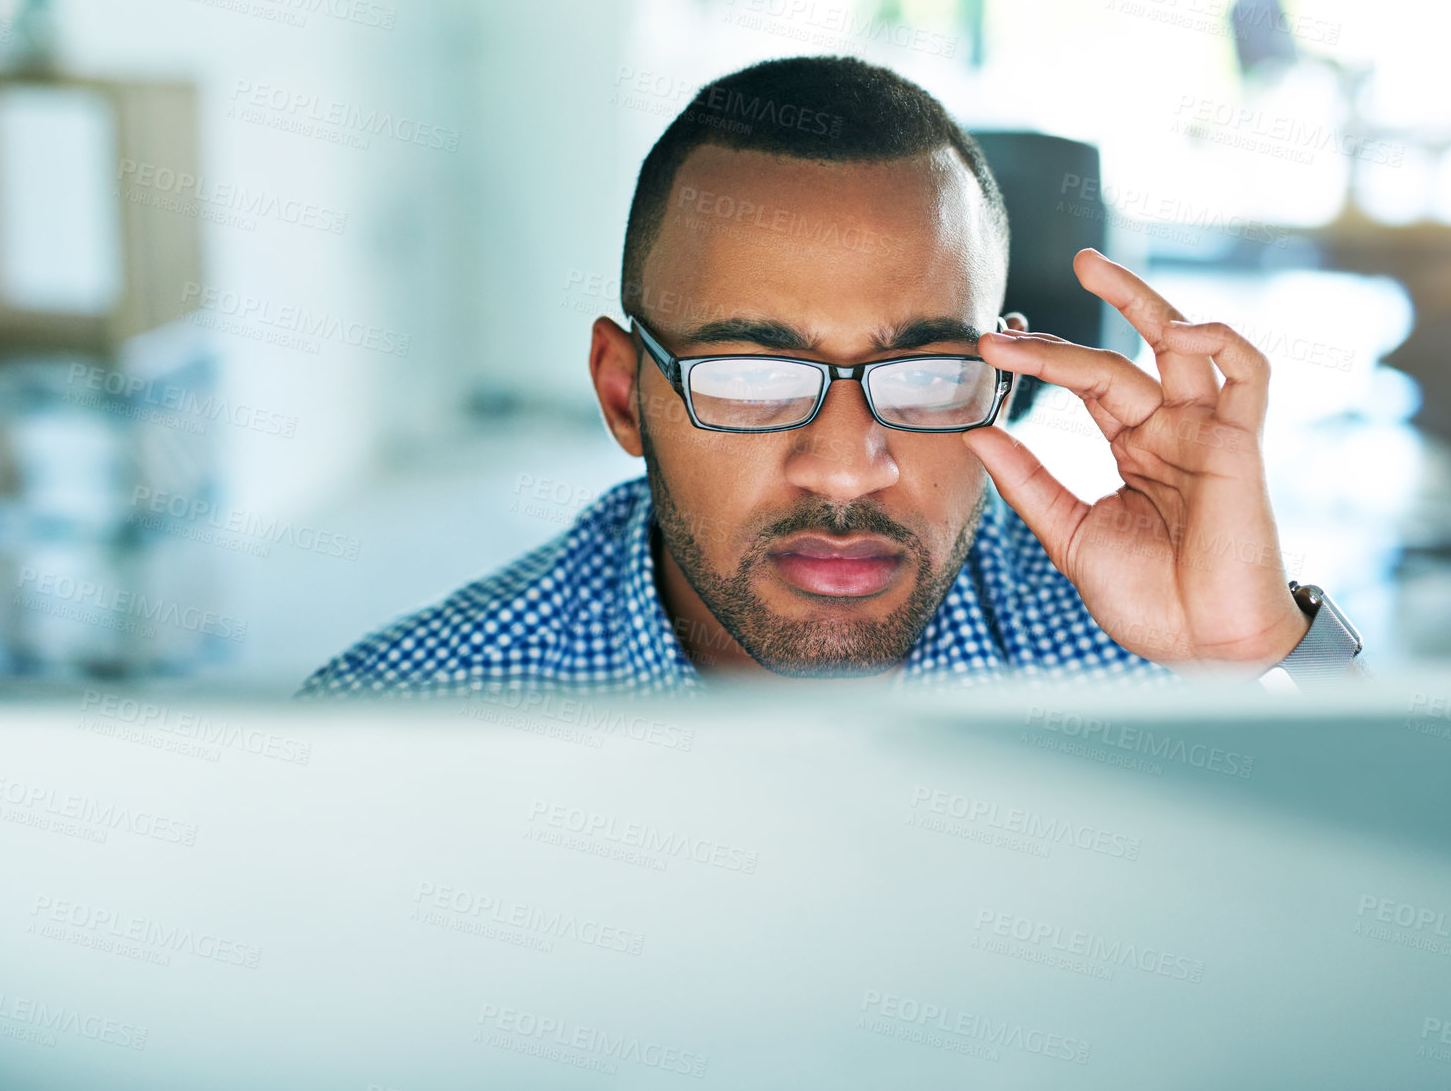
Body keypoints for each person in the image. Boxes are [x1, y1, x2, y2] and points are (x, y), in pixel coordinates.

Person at [300, 55, 1358, 699]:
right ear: (625, 394)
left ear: (1003, 374)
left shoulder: (1153, 661)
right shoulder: (408, 721)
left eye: (927, 371)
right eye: (753, 376)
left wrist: (1255, 650)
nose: (849, 471)